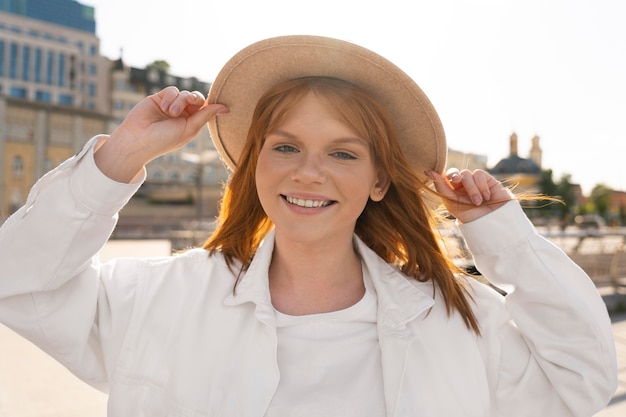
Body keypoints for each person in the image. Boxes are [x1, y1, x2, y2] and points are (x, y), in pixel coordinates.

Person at [0, 35, 617, 416]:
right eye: (285, 147)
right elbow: (18, 281)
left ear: (379, 181)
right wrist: (119, 156)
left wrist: (504, 235)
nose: (309, 173)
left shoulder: (459, 318)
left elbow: (581, 381)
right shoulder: (156, 298)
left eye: (344, 153)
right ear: (254, 165)